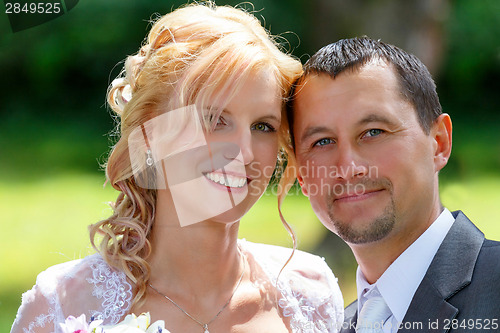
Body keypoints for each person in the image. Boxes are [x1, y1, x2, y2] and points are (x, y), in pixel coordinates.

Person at [11, 3, 344, 333]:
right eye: (215, 120)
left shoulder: (311, 295)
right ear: (151, 133)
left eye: (263, 126)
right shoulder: (62, 305)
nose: (243, 152)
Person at [285, 36, 500, 333]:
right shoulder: (328, 326)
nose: (348, 168)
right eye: (322, 142)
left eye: (373, 132)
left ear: (439, 143)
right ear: (301, 176)